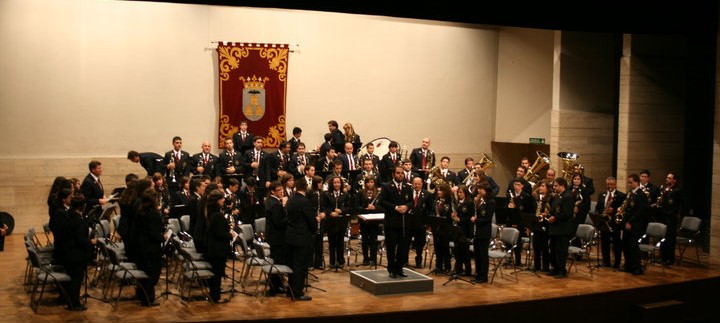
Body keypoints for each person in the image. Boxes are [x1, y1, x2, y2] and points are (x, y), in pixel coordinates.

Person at [58, 195, 95, 311]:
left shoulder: (68, 215)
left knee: (74, 279)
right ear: (82, 206)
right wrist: (92, 241)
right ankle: (74, 304)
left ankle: (72, 301)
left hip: (68, 253)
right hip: (76, 255)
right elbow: (81, 240)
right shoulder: (77, 220)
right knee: (76, 280)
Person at [378, 166, 413, 278]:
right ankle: (391, 268)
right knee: (391, 248)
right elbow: (381, 201)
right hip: (391, 222)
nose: (400, 175)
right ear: (393, 174)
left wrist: (407, 207)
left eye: (402, 173)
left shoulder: (407, 187)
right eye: (398, 173)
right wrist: (395, 207)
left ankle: (399, 268)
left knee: (403, 247)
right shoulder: (387, 186)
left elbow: (411, 201)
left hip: (404, 222)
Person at [284, 177, 315, 301]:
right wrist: (314, 229)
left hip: (291, 236)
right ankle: (297, 292)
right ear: (306, 187)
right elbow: (311, 220)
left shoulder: (290, 200)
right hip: (302, 237)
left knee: (292, 265)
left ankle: (290, 290)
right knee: (300, 266)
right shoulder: (305, 202)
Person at [204, 189, 235, 303]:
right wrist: (230, 234)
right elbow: (219, 234)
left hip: (213, 247)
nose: (223, 200)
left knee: (215, 274)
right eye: (222, 198)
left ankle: (214, 295)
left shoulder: (211, 213)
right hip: (218, 249)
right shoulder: (217, 215)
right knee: (217, 274)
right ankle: (215, 297)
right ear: (218, 201)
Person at [134, 188, 163, 306]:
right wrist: (163, 238)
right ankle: (148, 299)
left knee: (144, 272)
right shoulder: (154, 214)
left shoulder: (140, 211)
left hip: (141, 245)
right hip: (151, 248)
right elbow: (154, 234)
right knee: (152, 273)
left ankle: (142, 295)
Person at [618, 174, 649, 275]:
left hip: (635, 225)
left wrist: (630, 222)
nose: (629, 184)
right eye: (628, 182)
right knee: (625, 245)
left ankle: (637, 267)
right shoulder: (630, 193)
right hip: (626, 223)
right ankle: (628, 265)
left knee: (633, 246)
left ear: (636, 182)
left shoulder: (641, 195)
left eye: (631, 182)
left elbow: (640, 212)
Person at [595, 176, 626, 269]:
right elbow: (598, 208)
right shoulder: (602, 194)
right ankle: (606, 261)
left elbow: (623, 209)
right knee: (604, 242)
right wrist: (602, 212)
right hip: (605, 222)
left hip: (615, 223)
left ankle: (617, 263)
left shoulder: (621, 195)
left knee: (616, 243)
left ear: (615, 184)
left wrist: (614, 210)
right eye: (608, 184)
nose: (609, 186)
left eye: (611, 184)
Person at [546, 177, 575, 279]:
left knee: (561, 251)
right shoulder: (558, 196)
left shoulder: (567, 197)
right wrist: (549, 214)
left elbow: (566, 214)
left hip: (563, 229)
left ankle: (562, 270)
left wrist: (555, 217)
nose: (554, 187)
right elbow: (555, 210)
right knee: (553, 249)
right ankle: (555, 268)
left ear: (562, 186)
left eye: (556, 186)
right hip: (555, 228)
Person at [265, 181, 289, 295]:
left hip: (273, 237)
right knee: (278, 262)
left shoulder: (271, 201)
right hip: (277, 238)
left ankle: (277, 285)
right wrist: (289, 217)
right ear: (272, 191)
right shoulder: (276, 204)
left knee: (276, 261)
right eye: (279, 190)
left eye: (282, 189)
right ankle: (276, 287)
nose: (281, 192)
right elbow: (279, 223)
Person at [655, 172, 684, 266]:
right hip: (663, 217)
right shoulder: (664, 189)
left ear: (674, 180)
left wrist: (675, 213)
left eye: (669, 178)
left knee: (670, 239)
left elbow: (680, 204)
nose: (667, 179)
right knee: (663, 238)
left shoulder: (677, 190)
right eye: (667, 177)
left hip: (671, 218)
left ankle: (669, 259)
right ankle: (662, 257)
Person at [506, 177, 536, 266]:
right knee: (508, 241)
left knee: (518, 242)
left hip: (521, 222)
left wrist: (516, 207)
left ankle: (518, 261)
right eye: (515, 184)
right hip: (511, 220)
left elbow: (528, 210)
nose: (516, 186)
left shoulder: (526, 196)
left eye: (518, 185)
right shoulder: (510, 195)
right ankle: (509, 258)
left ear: (522, 186)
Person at [322, 176, 351, 268]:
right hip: (331, 221)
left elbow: (349, 207)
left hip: (341, 221)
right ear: (332, 184)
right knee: (332, 242)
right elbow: (324, 207)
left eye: (338, 182)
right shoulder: (327, 194)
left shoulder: (345, 194)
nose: (337, 184)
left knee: (340, 241)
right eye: (335, 183)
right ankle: (332, 261)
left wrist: (341, 211)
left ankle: (340, 261)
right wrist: (331, 212)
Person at [355, 175, 383, 266]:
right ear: (365, 183)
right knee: (365, 240)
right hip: (364, 220)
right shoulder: (360, 193)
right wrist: (365, 208)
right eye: (368, 182)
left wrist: (375, 207)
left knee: (374, 240)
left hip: (374, 220)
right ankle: (365, 258)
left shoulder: (378, 193)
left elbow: (382, 207)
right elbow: (356, 206)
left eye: (372, 182)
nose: (370, 184)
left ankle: (373, 259)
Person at [471, 182, 495, 283]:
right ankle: (478, 273)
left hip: (484, 231)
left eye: (481, 189)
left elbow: (487, 218)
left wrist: (476, 220)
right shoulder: (480, 200)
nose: (479, 191)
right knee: (477, 254)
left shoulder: (491, 202)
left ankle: (483, 276)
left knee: (483, 254)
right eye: (479, 188)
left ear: (486, 190)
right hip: (477, 230)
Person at [407, 176, 433, 269]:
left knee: (419, 245)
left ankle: (418, 262)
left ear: (422, 184)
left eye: (419, 184)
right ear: (412, 184)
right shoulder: (408, 193)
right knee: (406, 243)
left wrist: (427, 224)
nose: (417, 185)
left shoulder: (427, 195)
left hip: (421, 224)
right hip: (409, 223)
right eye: (415, 184)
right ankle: (405, 261)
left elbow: (430, 210)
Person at [451, 185, 473, 276]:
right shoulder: (457, 202)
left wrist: (459, 219)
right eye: (458, 192)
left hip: (466, 230)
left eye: (461, 192)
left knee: (465, 252)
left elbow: (470, 217)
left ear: (465, 193)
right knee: (457, 250)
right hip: (458, 229)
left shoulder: (469, 202)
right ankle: (458, 268)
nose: (459, 194)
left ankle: (468, 271)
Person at [531, 180, 552, 272]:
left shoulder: (549, 199)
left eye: (543, 186)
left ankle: (546, 267)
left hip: (545, 224)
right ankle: (537, 266)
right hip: (537, 224)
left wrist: (545, 214)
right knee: (536, 246)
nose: (540, 187)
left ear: (547, 189)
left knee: (544, 247)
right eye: (540, 186)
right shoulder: (536, 198)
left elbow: (550, 211)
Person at [308, 176, 327, 269]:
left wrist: (324, 213)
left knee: (319, 242)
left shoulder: (322, 193)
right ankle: (310, 263)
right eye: (319, 182)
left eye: (321, 182)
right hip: (313, 220)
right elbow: (307, 207)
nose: (321, 184)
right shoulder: (309, 193)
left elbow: (325, 206)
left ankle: (318, 263)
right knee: (311, 242)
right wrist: (313, 217)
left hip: (321, 220)